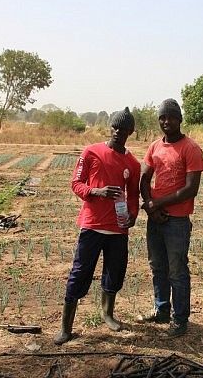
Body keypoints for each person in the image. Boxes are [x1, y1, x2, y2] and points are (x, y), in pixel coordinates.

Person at [54, 107, 141, 345]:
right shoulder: (91, 152)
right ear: (109, 127)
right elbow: (76, 184)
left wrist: (132, 214)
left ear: (130, 132)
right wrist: (96, 191)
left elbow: (133, 195)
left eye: (123, 129)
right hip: (92, 226)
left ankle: (107, 313)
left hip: (118, 229)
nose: (117, 132)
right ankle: (66, 327)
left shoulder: (132, 163)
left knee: (115, 272)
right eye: (114, 127)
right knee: (80, 273)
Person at [137, 98, 203, 338]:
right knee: (157, 267)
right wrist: (151, 208)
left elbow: (190, 189)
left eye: (171, 117)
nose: (167, 121)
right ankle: (162, 310)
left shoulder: (191, 148)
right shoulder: (155, 146)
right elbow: (144, 179)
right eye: (163, 118)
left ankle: (180, 319)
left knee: (177, 270)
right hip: (156, 218)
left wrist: (158, 203)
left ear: (180, 120)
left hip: (177, 221)